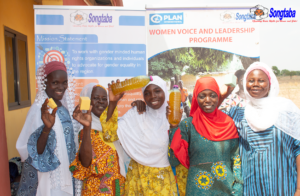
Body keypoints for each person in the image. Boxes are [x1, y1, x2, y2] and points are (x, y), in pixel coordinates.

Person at [224, 62, 300, 196]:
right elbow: (212, 117)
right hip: (252, 190)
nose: (255, 84)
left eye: (261, 80)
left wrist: (299, 189)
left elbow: (298, 150)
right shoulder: (238, 114)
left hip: (285, 188)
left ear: (270, 84)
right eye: (251, 80)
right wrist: (224, 93)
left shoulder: (287, 111)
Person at [168, 77, 243, 195]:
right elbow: (173, 160)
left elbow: (236, 158)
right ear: (196, 98)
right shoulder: (187, 125)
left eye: (212, 95)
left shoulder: (228, 123)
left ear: (218, 96)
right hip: (197, 191)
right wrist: (173, 127)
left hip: (226, 190)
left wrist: (238, 186)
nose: (208, 100)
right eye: (202, 96)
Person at [106, 76, 178, 195]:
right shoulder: (137, 114)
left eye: (157, 91)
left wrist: (174, 125)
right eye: (147, 93)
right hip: (137, 178)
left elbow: (180, 153)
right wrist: (113, 102)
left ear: (165, 91)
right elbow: (109, 135)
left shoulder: (174, 116)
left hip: (162, 182)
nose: (153, 96)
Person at [16, 61, 77, 196]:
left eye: (64, 82)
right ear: (45, 83)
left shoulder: (65, 109)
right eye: (55, 82)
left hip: (67, 175)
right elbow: (31, 151)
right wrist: (46, 129)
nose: (61, 87)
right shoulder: (38, 110)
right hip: (49, 179)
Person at [69, 83, 126, 196]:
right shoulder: (84, 130)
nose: (100, 101)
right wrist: (87, 126)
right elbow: (85, 163)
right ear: (87, 101)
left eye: (104, 99)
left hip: (118, 188)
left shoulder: (111, 127)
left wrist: (113, 102)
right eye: (95, 98)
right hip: (96, 190)